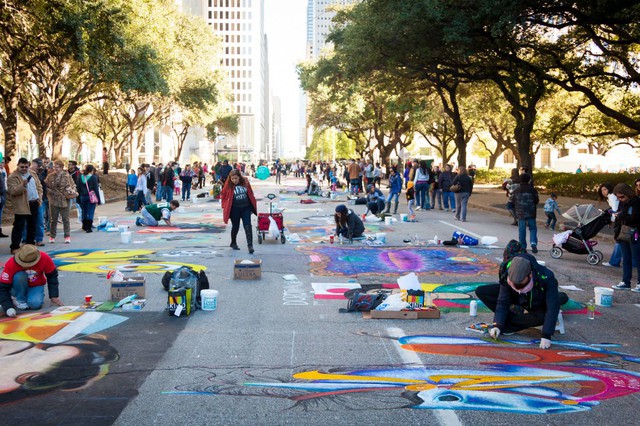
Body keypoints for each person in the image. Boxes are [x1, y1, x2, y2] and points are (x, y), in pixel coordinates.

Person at [475, 251, 568, 349]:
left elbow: (552, 308)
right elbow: (503, 301)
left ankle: (510, 325)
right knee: (482, 291)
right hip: (517, 298)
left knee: (547, 311)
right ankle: (509, 321)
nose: (519, 290)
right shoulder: (506, 271)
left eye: (522, 286)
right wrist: (498, 324)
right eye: (515, 286)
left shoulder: (546, 276)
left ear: (530, 275)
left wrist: (546, 335)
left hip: (536, 302)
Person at [0, 244, 64, 315]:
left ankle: (24, 296)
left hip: (36, 285)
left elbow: (52, 276)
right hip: (16, 287)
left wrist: (53, 295)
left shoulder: (44, 258)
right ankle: (20, 299)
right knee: (20, 276)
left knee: (35, 304)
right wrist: (8, 307)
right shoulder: (11, 263)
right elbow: (2, 288)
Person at [7, 157, 42, 254]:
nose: (24, 168)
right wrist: (23, 185)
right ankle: (14, 247)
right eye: (22, 167)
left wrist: (39, 197)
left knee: (32, 225)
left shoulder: (33, 174)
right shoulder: (13, 177)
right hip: (21, 204)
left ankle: (30, 246)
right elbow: (12, 191)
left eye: (26, 167)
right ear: (18, 165)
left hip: (34, 203)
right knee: (19, 226)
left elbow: (39, 186)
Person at [611, 183, 640, 291]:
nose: (620, 199)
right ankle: (625, 282)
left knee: (637, 259)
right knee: (626, 259)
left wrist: (620, 215)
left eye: (622, 197)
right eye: (618, 197)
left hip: (634, 233)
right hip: (623, 234)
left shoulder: (636, 202)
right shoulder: (624, 203)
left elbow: (634, 218)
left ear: (628, 193)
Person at [221, 169, 257, 254]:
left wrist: (252, 206)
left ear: (239, 177)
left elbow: (250, 193)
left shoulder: (245, 182)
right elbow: (223, 195)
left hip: (246, 208)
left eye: (236, 178)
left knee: (248, 226)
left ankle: (250, 245)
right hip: (234, 209)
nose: (234, 180)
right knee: (235, 226)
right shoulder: (228, 184)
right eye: (232, 178)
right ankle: (233, 242)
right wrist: (224, 206)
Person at [44, 160, 76, 244]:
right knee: (53, 219)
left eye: (57, 167)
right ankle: (52, 236)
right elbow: (45, 185)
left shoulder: (67, 176)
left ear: (61, 167)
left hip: (64, 199)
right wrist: (49, 191)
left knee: (65, 219)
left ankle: (67, 236)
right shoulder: (50, 176)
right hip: (53, 199)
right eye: (54, 167)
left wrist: (71, 190)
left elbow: (73, 185)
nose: (55, 169)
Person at [510, 173, 539, 253]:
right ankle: (533, 243)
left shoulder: (516, 190)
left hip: (520, 213)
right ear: (529, 180)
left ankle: (523, 246)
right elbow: (536, 200)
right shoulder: (533, 190)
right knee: (532, 228)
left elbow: (512, 201)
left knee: (522, 229)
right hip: (531, 212)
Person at [599, 183, 621, 267]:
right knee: (623, 242)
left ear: (609, 189)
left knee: (619, 241)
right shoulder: (611, 196)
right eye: (602, 190)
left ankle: (614, 262)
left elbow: (615, 210)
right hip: (620, 219)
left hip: (619, 220)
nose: (603, 192)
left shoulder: (612, 196)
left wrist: (612, 222)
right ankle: (634, 262)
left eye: (605, 189)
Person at [76, 164, 100, 233]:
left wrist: (78, 198)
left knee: (84, 211)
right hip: (91, 197)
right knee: (90, 211)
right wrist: (98, 199)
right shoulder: (93, 178)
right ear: (92, 170)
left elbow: (78, 188)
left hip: (82, 196)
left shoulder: (80, 177)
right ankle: (89, 227)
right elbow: (96, 189)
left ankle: (84, 225)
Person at [0, 157, 7, 238]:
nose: (2, 164)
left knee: (0, 214)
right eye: (1, 162)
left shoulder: (3, 170)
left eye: (3, 162)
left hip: (3, 194)